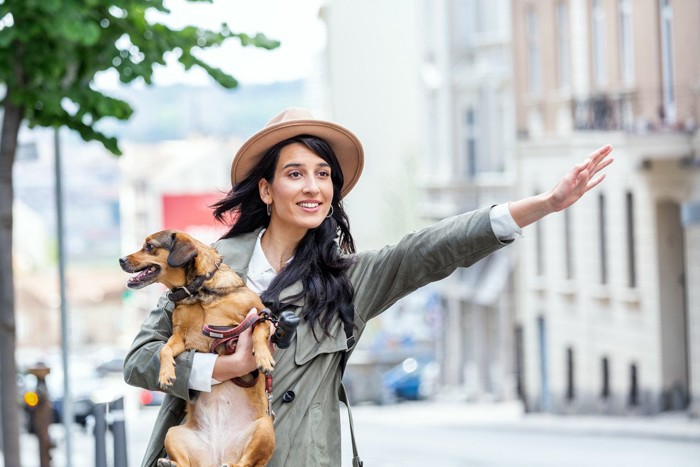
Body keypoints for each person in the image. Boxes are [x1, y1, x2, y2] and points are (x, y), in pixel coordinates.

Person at [123, 107, 613, 466]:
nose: (313, 187)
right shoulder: (207, 267)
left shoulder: (348, 280)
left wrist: (544, 204)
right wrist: (220, 366)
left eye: (323, 175)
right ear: (267, 190)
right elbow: (140, 360)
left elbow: (426, 250)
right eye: (295, 174)